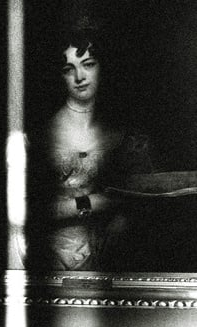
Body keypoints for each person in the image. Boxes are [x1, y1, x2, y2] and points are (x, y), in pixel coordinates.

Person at [23, 26, 152, 271]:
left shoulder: (125, 137)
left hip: (107, 261)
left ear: (102, 67)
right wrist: (94, 202)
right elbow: (30, 210)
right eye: (68, 69)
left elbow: (139, 205)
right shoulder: (39, 137)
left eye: (88, 64)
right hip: (46, 261)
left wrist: (119, 221)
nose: (80, 77)